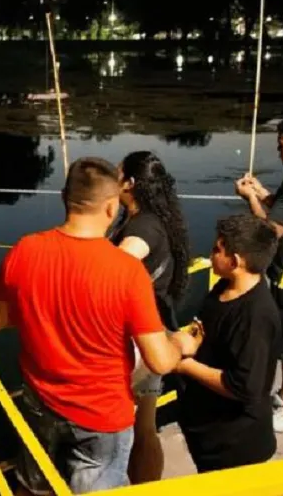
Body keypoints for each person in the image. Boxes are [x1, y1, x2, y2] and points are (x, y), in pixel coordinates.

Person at [0, 157, 200, 495]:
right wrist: (182, 344)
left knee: (32, 484)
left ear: (64, 198)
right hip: (101, 416)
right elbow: (159, 361)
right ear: (112, 206)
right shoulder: (126, 272)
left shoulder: (24, 250)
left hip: (40, 399)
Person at [110, 151, 190, 484]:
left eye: (117, 174)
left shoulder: (142, 227)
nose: (113, 179)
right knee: (145, 427)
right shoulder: (152, 218)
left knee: (129, 431)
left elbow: (115, 267)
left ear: (129, 183)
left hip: (138, 339)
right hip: (151, 331)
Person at [178, 214, 280, 472]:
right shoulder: (223, 288)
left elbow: (244, 386)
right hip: (209, 433)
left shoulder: (256, 315)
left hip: (235, 447)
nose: (211, 255)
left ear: (235, 261)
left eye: (216, 249)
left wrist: (184, 366)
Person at [235, 115, 283, 433]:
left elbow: (272, 230)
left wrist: (250, 199)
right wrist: (262, 191)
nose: (278, 150)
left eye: (282, 143)